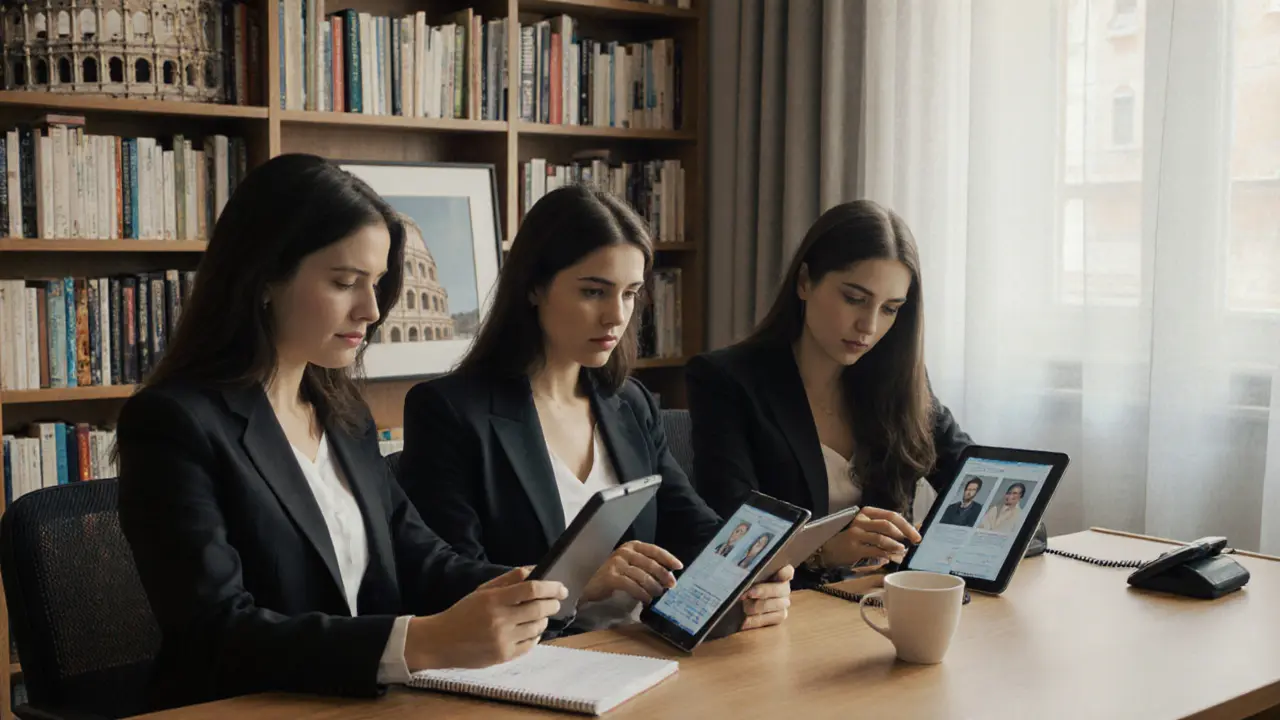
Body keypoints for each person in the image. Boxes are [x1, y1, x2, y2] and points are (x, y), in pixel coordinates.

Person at [114, 154, 567, 712]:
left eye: (376, 283)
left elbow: (417, 555)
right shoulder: (172, 424)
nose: (371, 309)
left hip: (365, 702)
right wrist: (422, 641)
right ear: (263, 278)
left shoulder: (341, 412)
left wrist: (530, 588)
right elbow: (216, 631)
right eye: (345, 282)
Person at [398, 185, 793, 633]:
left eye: (630, 294)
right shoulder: (448, 410)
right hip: (527, 663)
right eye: (593, 292)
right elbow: (446, 579)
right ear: (533, 286)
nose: (616, 316)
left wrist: (750, 575)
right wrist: (578, 581)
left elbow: (692, 525)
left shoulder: (630, 402)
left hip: (637, 652)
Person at [686, 199, 973, 581]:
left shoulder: (901, 381)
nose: (868, 327)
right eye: (854, 299)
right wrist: (823, 552)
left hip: (884, 604)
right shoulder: (726, 381)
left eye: (890, 309)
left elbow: (977, 479)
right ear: (805, 282)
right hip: (785, 613)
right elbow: (728, 541)